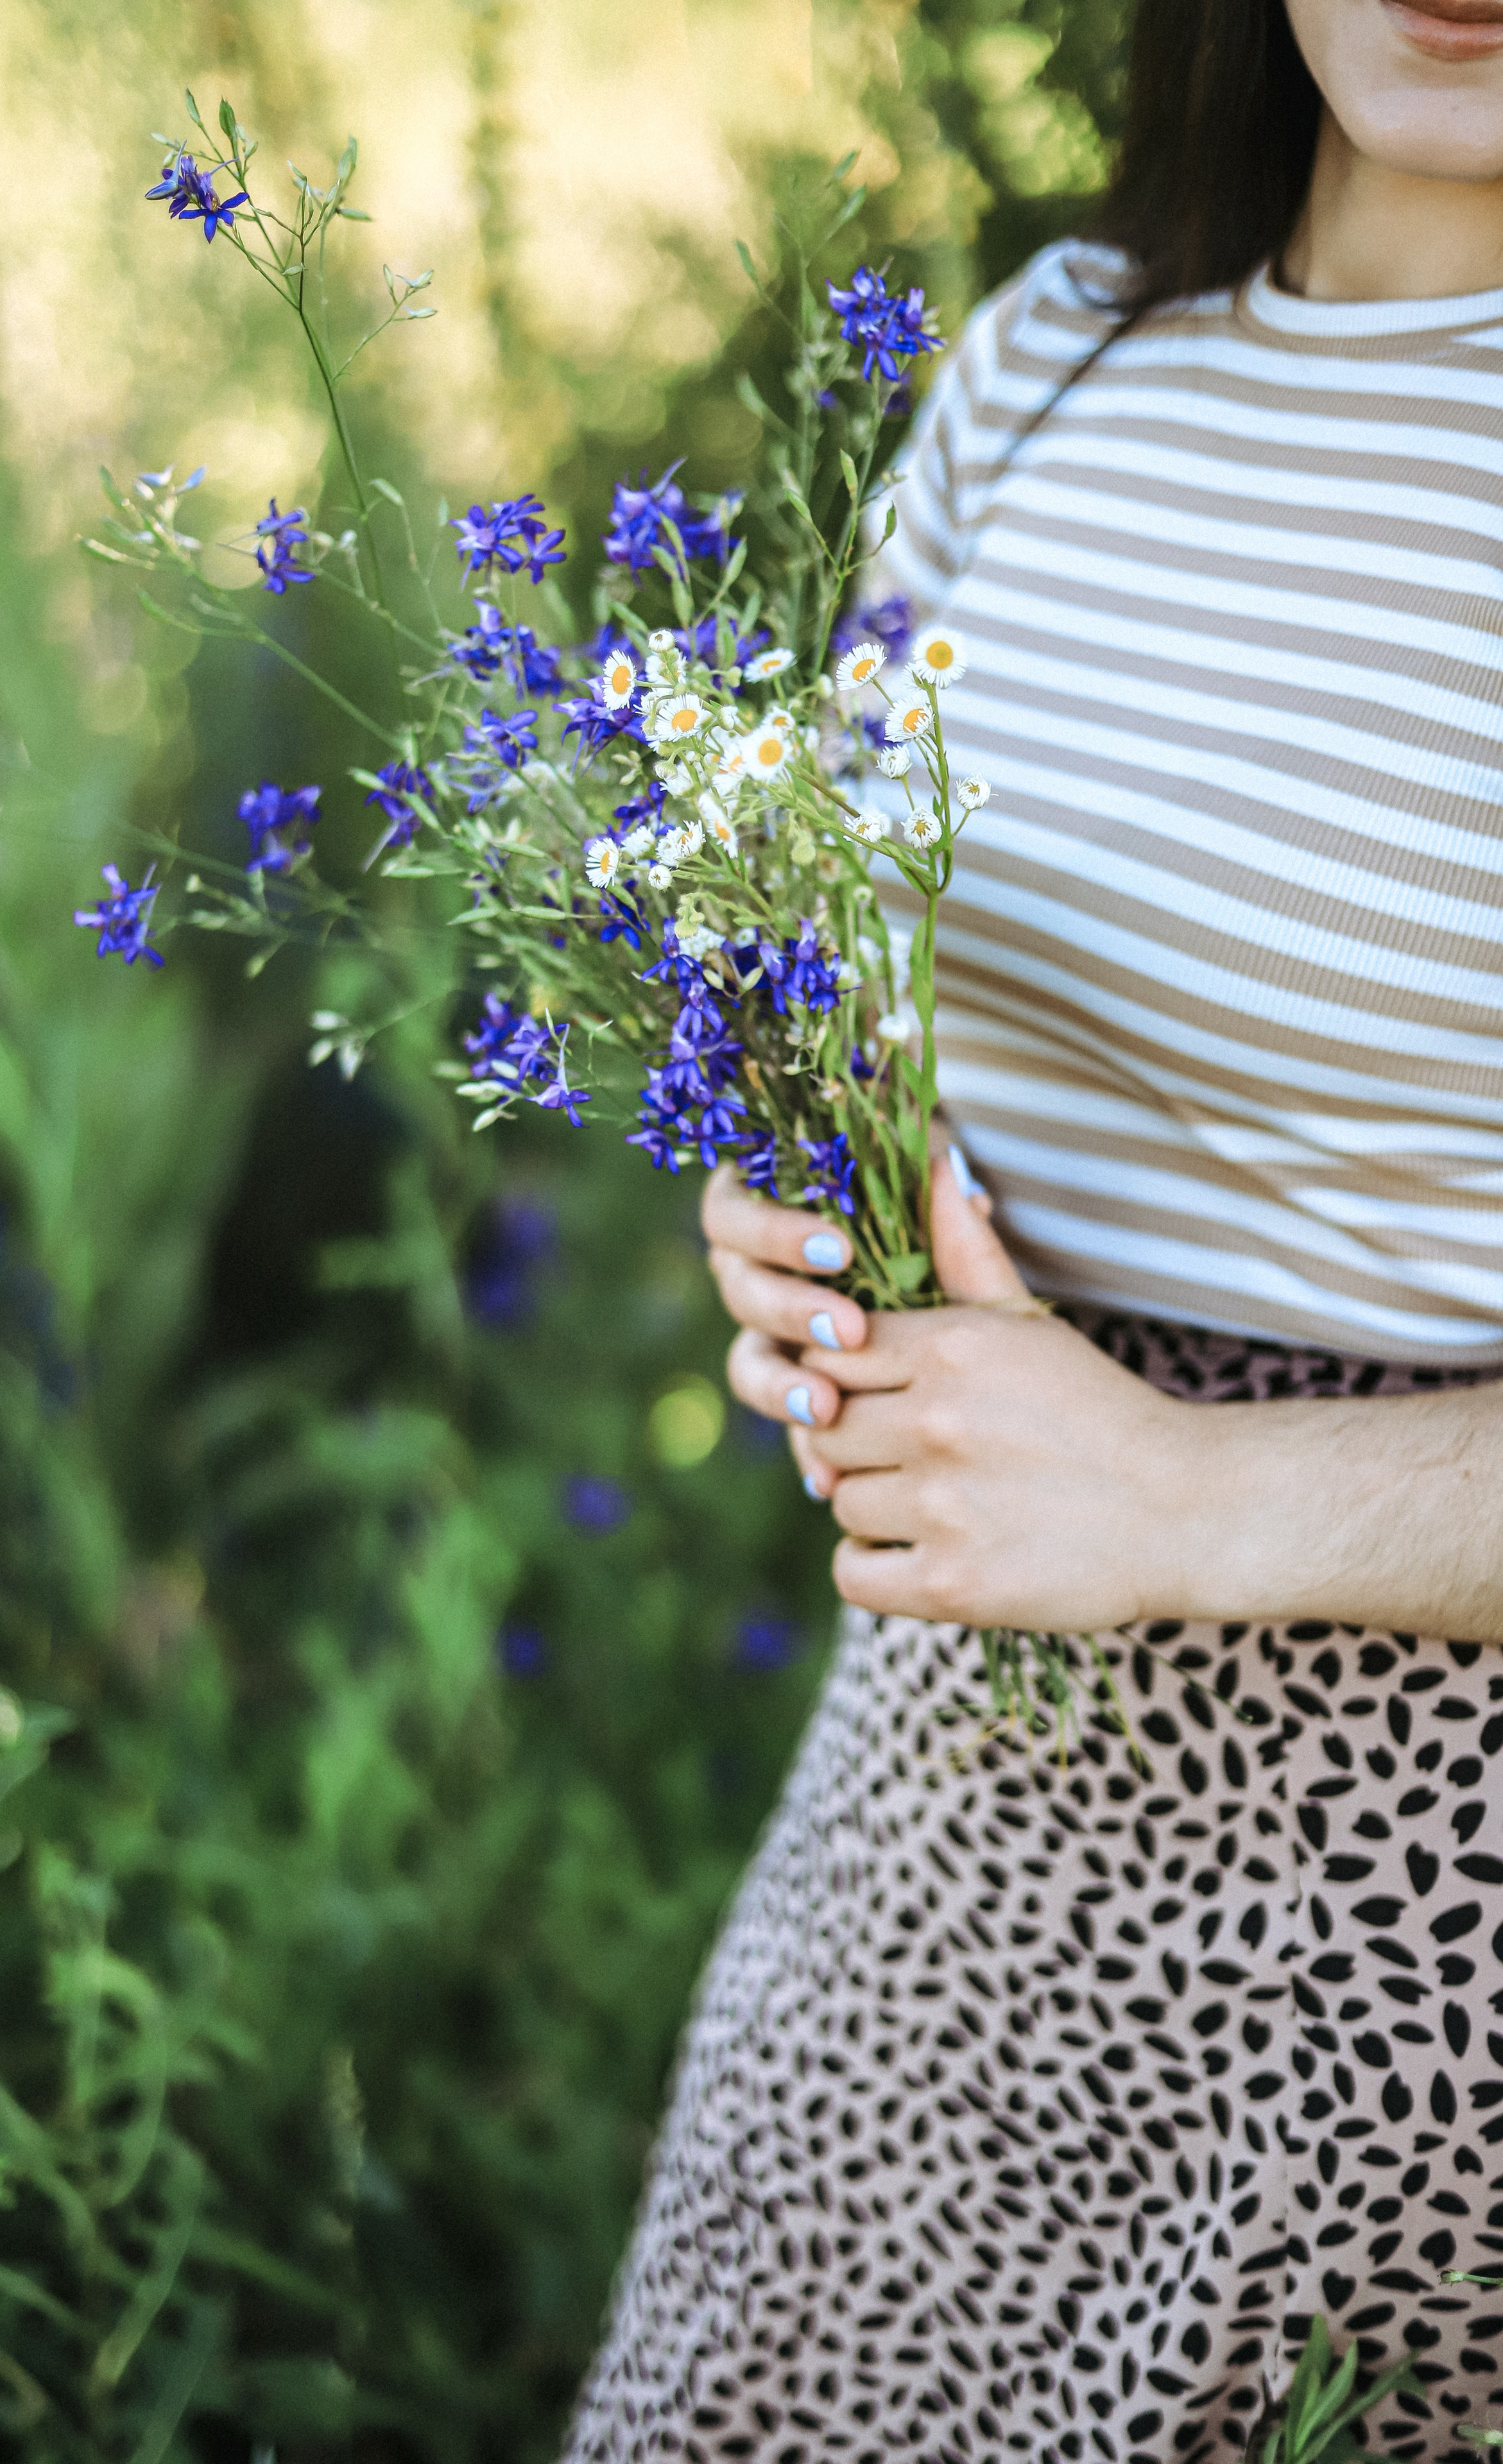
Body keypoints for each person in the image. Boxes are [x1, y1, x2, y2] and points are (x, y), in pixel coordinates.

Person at [562, 0, 1503, 2456]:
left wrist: (1188, 1493)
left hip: (1431, 1959)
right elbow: (841, 959)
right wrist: (807, 1205)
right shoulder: (1055, 359)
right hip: (950, 1825)